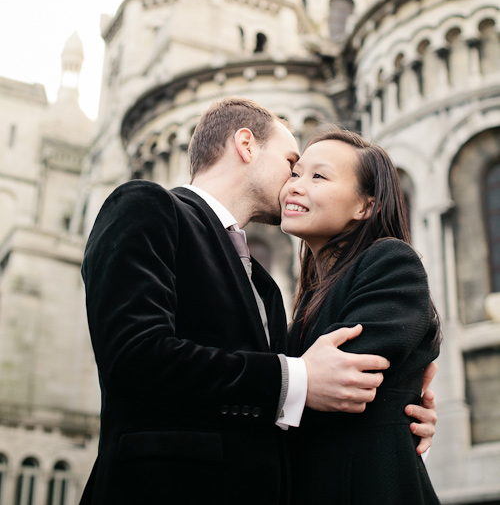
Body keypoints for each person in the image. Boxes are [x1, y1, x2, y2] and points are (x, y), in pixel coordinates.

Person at [80, 98, 437, 505]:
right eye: (292, 163)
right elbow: (135, 355)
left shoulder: (264, 284)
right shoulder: (148, 206)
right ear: (246, 145)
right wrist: (297, 380)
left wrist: (399, 405)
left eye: (314, 174)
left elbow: (314, 389)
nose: (293, 182)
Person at [281, 125, 442, 504]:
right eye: (295, 173)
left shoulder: (390, 261)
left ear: (366, 206)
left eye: (318, 176)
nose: (295, 185)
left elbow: (344, 383)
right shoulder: (310, 297)